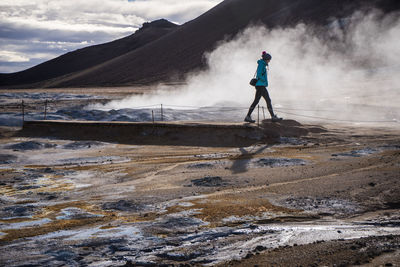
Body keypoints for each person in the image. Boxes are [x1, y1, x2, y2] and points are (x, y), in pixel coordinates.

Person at [245, 51, 282, 123]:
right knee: (266, 100)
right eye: (269, 59)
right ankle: (273, 117)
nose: (269, 61)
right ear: (266, 59)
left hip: (260, 85)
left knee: (260, 101)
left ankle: (248, 116)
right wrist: (264, 80)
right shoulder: (261, 64)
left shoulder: (263, 64)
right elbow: (258, 75)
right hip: (260, 85)